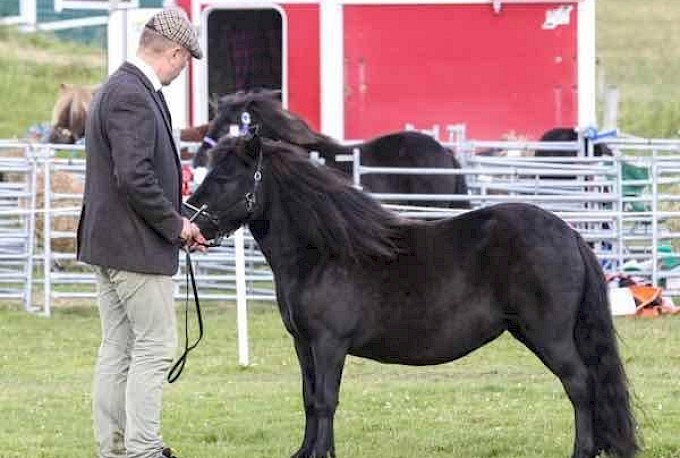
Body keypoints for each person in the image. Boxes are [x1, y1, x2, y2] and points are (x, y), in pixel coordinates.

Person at [76, 8, 206, 458]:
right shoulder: (133, 95)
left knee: (118, 348)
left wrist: (181, 218)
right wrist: (177, 225)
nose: (184, 69)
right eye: (185, 60)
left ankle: (114, 448)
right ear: (172, 52)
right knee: (153, 348)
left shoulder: (115, 87)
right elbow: (134, 177)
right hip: (136, 249)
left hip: (109, 245)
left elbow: (130, 175)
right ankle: (144, 449)